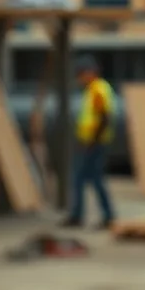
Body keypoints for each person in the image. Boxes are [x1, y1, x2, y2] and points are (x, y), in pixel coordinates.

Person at [62, 56, 116, 230]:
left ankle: (98, 216)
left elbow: (104, 118)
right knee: (89, 179)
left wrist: (92, 141)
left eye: (81, 75)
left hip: (94, 143)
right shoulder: (93, 89)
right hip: (89, 142)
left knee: (86, 179)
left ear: (90, 73)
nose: (79, 79)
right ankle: (100, 215)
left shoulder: (98, 90)